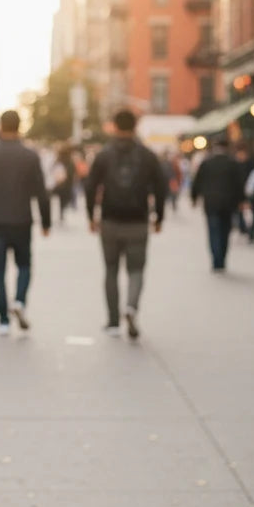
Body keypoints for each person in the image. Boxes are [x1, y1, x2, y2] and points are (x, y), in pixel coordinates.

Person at [84, 109, 166, 338]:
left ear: (114, 126)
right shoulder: (148, 155)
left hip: (110, 220)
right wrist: (159, 217)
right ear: (135, 126)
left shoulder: (104, 154)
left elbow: (90, 187)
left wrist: (91, 216)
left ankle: (112, 322)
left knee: (110, 270)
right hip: (138, 221)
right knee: (136, 270)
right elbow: (161, 188)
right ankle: (131, 307)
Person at [0, 109, 50, 335]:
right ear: (19, 126)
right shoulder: (30, 156)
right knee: (24, 265)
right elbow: (41, 192)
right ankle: (20, 301)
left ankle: (3, 320)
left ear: (0, 126)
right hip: (22, 220)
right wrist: (46, 222)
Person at [190, 137, 245, 272]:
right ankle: (222, 259)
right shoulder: (233, 163)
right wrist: (242, 200)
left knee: (213, 231)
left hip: (211, 202)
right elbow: (239, 184)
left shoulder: (207, 162)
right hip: (228, 203)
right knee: (225, 231)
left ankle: (216, 259)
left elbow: (197, 181)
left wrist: (194, 197)